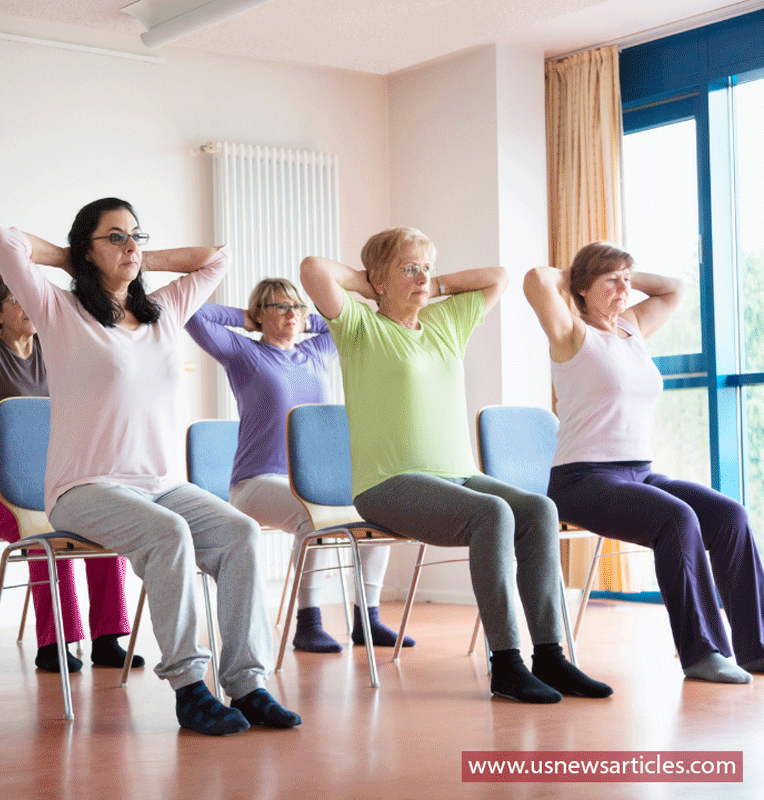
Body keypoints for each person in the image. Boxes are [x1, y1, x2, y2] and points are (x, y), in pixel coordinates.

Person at [0, 197, 300, 735]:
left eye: (137, 235)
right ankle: (189, 688)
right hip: (83, 488)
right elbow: (4, 241)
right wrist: (72, 257)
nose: (131, 244)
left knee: (241, 533)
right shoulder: (59, 310)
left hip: (161, 484)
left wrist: (133, 257)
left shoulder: (163, 310)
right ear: (87, 248)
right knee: (168, 532)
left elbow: (217, 258)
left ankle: (247, 685)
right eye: (115, 236)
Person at [300, 227, 612, 704]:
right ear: (379, 280)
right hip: (387, 483)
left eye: (427, 267)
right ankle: (506, 664)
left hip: (460, 475)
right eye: (409, 268)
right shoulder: (359, 326)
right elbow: (313, 269)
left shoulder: (445, 321)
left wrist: (432, 283)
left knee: (539, 510)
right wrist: (370, 285)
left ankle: (550, 656)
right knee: (492, 513)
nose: (422, 277)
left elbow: (498, 277)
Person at [525, 242, 764, 684]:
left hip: (640, 472)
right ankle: (702, 653)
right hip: (582, 480)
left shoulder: (631, 328)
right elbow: (537, 280)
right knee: (676, 519)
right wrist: (578, 274)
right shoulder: (571, 333)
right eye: (611, 281)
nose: (623, 289)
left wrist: (621, 274)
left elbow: (674, 289)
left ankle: (757, 648)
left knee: (730, 516)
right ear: (582, 288)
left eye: (627, 280)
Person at [0, 277, 143, 673]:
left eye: (31, 299)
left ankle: (107, 638)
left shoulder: (52, 351)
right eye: (16, 300)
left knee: (102, 527)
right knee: (43, 538)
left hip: (52, 491)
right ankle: (54, 643)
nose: (27, 306)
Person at [184, 280, 413, 653]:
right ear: (261, 313)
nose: (292, 313)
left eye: (298, 306)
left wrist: (305, 319)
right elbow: (193, 313)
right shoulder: (244, 354)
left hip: (315, 481)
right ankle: (308, 624)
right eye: (280, 307)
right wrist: (247, 319)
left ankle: (367, 620)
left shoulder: (317, 352)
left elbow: (347, 318)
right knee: (313, 517)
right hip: (256, 483)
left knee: (378, 510)